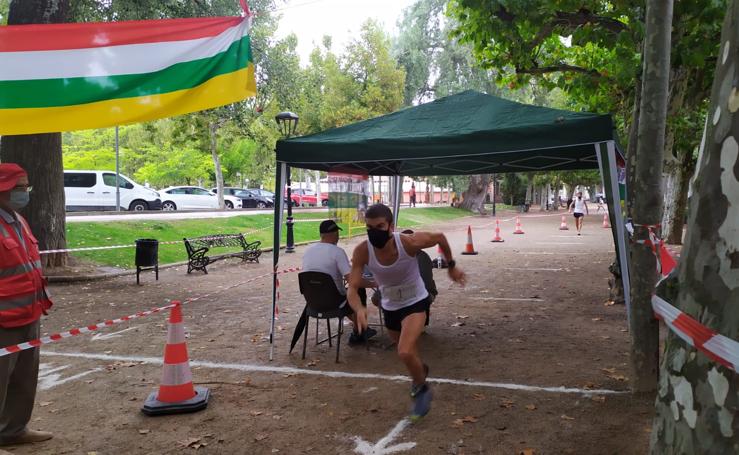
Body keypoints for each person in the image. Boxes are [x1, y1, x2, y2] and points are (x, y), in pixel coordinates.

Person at [347, 204, 466, 421]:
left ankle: (422, 390)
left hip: (415, 302)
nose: (374, 232)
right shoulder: (363, 251)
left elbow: (439, 237)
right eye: (369, 227)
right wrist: (359, 308)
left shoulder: (408, 243)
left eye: (380, 226)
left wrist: (451, 266)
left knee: (404, 350)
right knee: (407, 354)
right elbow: (353, 287)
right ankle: (420, 370)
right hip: (390, 306)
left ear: (391, 226)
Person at [0, 163, 53, 451]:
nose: (25, 193)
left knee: (24, 378)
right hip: (3, 320)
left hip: (28, 312)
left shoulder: (17, 220)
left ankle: (13, 430)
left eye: (26, 187)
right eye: (19, 187)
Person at [301, 220, 376, 344]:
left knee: (345, 296)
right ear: (335, 234)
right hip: (333, 301)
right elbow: (352, 280)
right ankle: (360, 331)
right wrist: (374, 283)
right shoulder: (337, 252)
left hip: (312, 301)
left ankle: (360, 328)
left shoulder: (308, 251)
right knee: (357, 291)